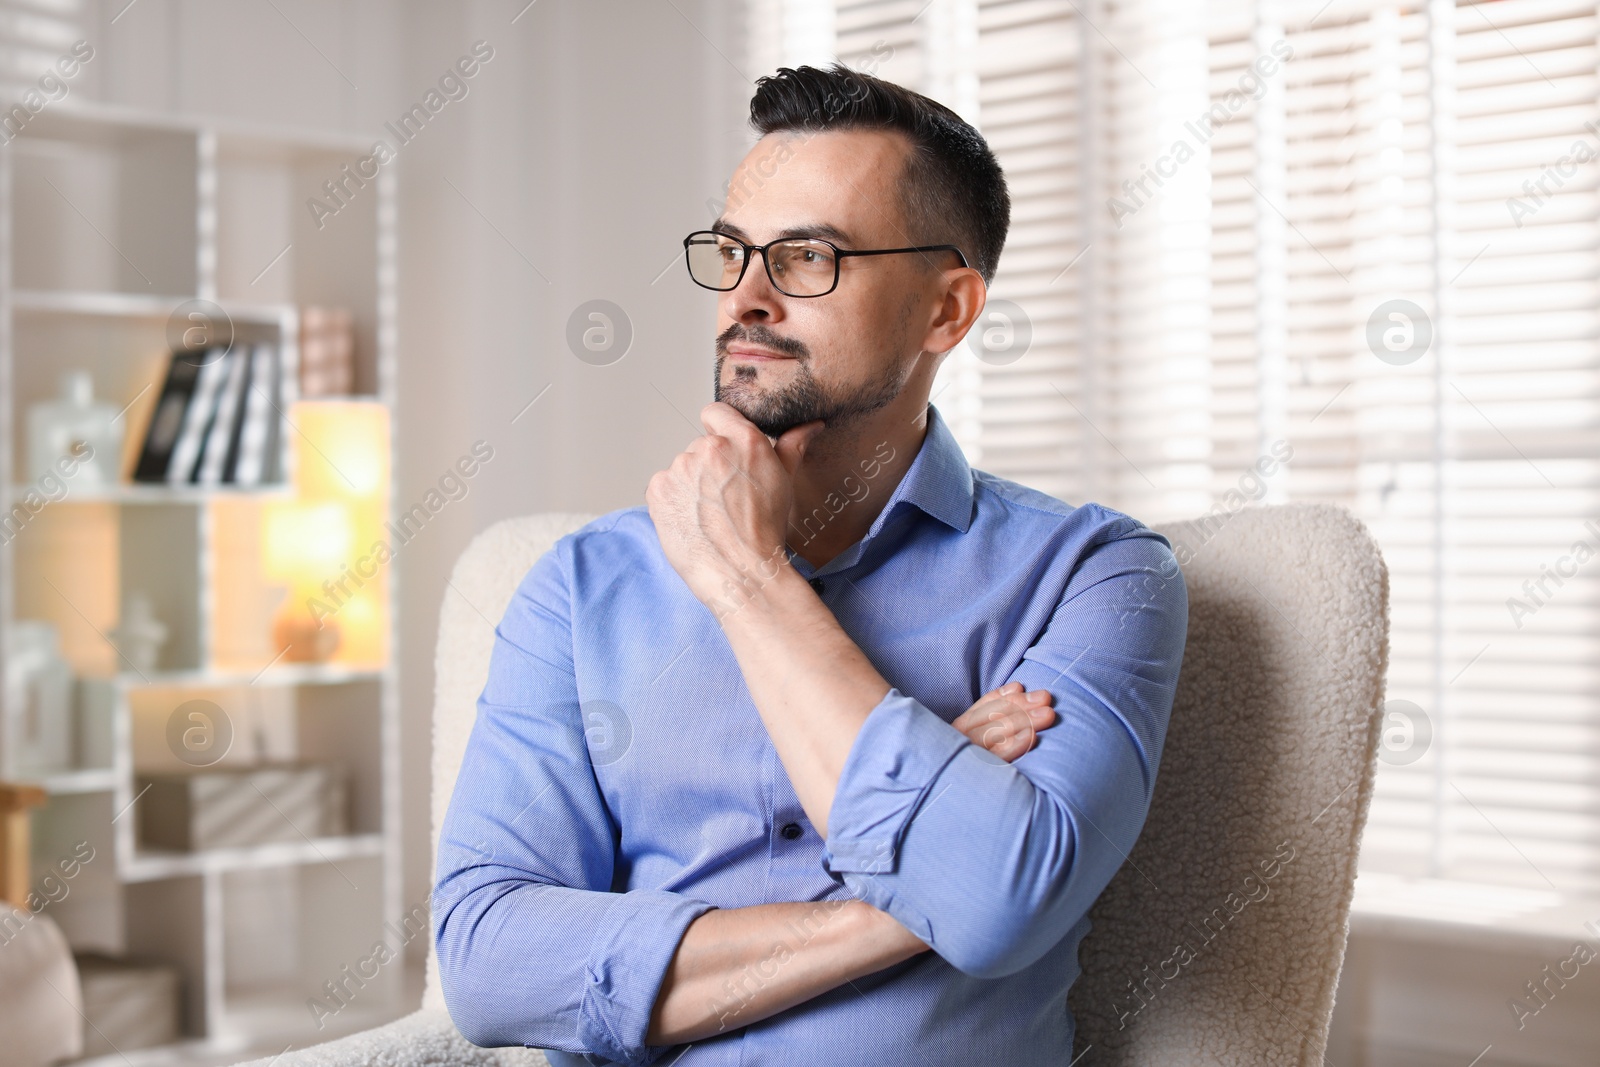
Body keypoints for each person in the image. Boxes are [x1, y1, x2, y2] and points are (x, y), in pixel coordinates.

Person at [434, 63, 1188, 1066]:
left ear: (946, 310)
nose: (744, 298)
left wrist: (746, 579)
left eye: (806, 259)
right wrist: (894, 901)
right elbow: (486, 964)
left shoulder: (1098, 576)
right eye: (733, 253)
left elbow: (1000, 908)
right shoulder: (580, 587)